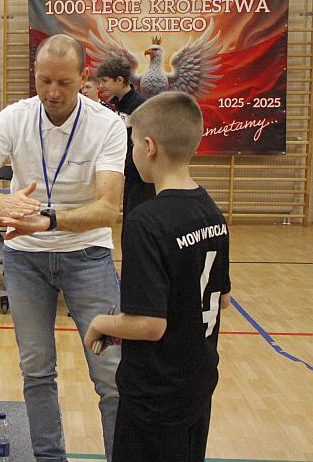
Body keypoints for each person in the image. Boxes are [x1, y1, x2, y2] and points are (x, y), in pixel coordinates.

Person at [0, 34, 127, 462]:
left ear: (84, 78)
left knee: (110, 375)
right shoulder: (14, 118)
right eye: (44, 80)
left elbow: (108, 209)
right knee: (35, 369)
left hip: (88, 256)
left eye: (64, 82)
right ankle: (49, 458)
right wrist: (0, 201)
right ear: (34, 74)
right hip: (25, 259)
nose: (52, 92)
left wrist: (49, 219)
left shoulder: (106, 126)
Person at [83, 91, 231, 462]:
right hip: (197, 384)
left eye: (132, 144)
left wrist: (103, 323)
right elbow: (221, 298)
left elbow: (150, 324)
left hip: (153, 396)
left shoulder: (146, 222)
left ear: (148, 147)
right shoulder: (211, 212)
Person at [96, 57, 155, 224]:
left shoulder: (141, 107)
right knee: (128, 216)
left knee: (137, 217)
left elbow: (145, 143)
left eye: (105, 81)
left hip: (140, 175)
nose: (102, 86)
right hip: (124, 172)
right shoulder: (112, 105)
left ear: (119, 80)